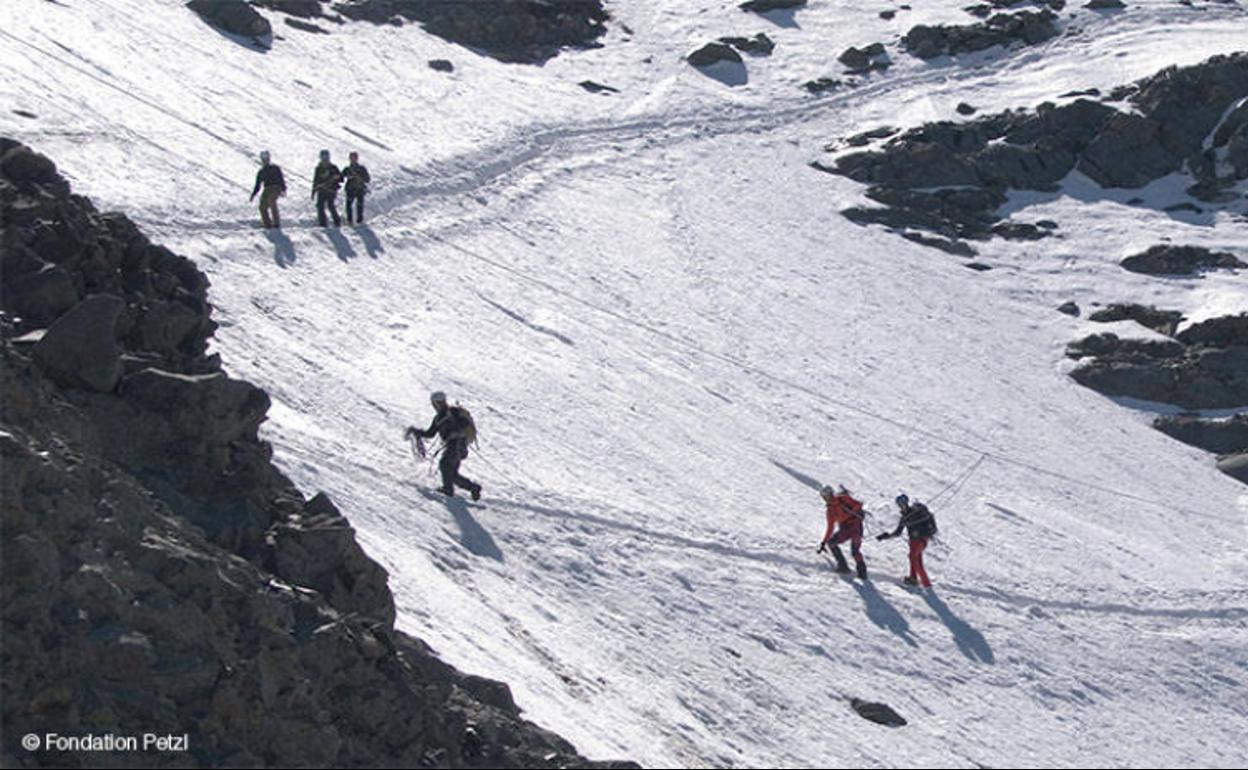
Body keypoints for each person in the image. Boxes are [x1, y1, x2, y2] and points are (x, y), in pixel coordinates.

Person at [404, 391, 482, 500]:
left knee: (445, 465)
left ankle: (448, 489)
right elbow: (430, 434)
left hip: (455, 444)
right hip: (458, 446)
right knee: (452, 474)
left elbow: (464, 423)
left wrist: (455, 424)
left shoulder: (452, 412)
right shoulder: (438, 418)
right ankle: (473, 488)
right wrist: (417, 432)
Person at [877, 493, 937, 588]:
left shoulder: (915, 512)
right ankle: (913, 578)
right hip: (913, 542)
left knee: (913, 557)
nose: (901, 506)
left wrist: (918, 529)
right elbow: (898, 532)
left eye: (903, 503)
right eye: (899, 504)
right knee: (916, 560)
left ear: (906, 502)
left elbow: (925, 518)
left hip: (921, 540)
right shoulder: (904, 517)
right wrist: (886, 536)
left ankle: (926, 584)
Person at [817, 484, 868, 580]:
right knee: (831, 543)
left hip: (855, 526)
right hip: (845, 529)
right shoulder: (830, 511)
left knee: (855, 550)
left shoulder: (842, 499)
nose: (825, 498)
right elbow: (830, 527)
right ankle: (843, 566)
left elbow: (858, 505)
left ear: (830, 494)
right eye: (824, 497)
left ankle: (862, 572)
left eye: (826, 496)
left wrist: (851, 510)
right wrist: (824, 542)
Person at [250, 150, 286, 228]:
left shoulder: (275, 168)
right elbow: (258, 185)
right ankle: (267, 224)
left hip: (276, 187)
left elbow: (281, 179)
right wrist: (253, 195)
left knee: (271, 201)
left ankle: (276, 223)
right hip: (267, 189)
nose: (265, 161)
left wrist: (283, 189)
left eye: (266, 159)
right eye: (263, 160)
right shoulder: (261, 171)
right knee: (262, 207)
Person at [311, 149, 343, 227]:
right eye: (323, 157)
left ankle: (337, 221)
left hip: (331, 190)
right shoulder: (318, 169)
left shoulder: (333, 167)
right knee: (320, 206)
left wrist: (335, 178)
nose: (325, 159)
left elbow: (341, 178)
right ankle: (322, 223)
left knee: (330, 205)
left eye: (326, 157)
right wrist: (313, 191)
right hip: (321, 190)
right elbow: (315, 180)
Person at [342, 151, 371, 225]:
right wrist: (348, 176)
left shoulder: (362, 169)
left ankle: (359, 220)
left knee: (359, 205)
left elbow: (367, 179)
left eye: (354, 158)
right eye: (351, 158)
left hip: (359, 189)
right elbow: (341, 177)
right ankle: (350, 220)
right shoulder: (347, 169)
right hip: (350, 189)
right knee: (348, 205)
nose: (353, 159)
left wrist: (361, 178)